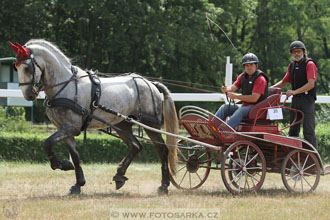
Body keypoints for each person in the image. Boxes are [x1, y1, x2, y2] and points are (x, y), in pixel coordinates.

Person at [271, 40, 317, 149]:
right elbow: (283, 82)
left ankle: (313, 160)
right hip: (296, 100)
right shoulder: (291, 66)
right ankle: (293, 159)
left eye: (298, 51)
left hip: (307, 100)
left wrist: (294, 92)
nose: (296, 54)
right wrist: (269, 89)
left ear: (303, 52)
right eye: (293, 52)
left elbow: (311, 84)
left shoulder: (309, 64)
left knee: (308, 130)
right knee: (293, 130)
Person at [215, 52, 268, 129]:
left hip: (257, 108)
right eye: (246, 65)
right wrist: (227, 89)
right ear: (244, 67)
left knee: (241, 111)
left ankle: (225, 130)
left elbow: (254, 98)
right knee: (225, 107)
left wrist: (236, 96)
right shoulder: (242, 76)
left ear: (256, 65)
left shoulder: (260, 79)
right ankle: (211, 127)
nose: (249, 67)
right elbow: (234, 87)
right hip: (245, 107)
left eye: (251, 65)